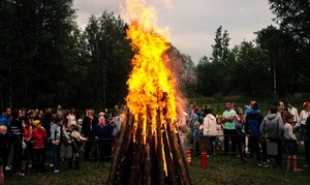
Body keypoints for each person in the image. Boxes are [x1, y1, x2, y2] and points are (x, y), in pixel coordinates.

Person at [10, 109, 25, 176]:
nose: (21, 114)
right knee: (17, 156)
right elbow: (22, 130)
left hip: (16, 140)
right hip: (17, 140)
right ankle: (16, 171)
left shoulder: (13, 121)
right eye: (19, 113)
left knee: (17, 156)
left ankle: (15, 170)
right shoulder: (16, 121)